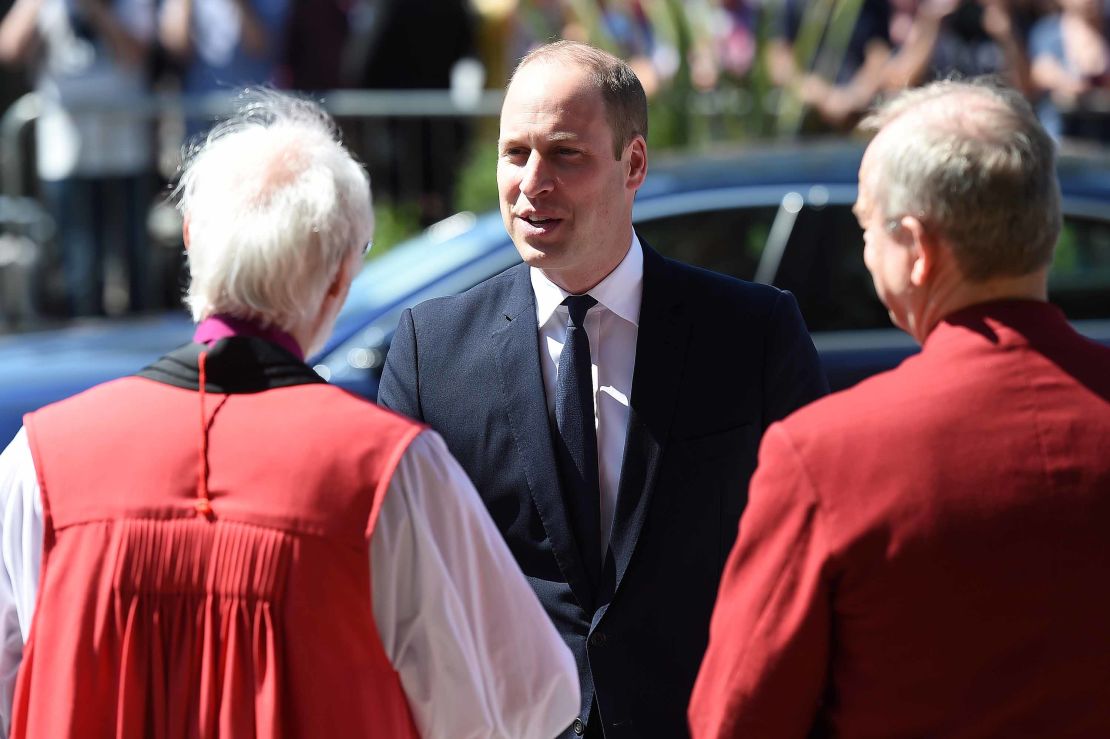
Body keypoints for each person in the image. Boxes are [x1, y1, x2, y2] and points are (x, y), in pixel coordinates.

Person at [0, 90, 579, 739]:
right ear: (339, 278)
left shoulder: (38, 461)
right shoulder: (388, 472)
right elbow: (524, 702)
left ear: (193, 240)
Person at [377, 40, 828, 739]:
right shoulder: (429, 351)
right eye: (515, 153)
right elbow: (399, 590)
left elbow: (817, 558)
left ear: (634, 164)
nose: (531, 182)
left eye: (565, 154)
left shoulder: (753, 335)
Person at [689, 78, 1110, 738]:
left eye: (865, 226)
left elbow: (737, 717)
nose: (863, 247)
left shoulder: (827, 455)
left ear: (918, 249)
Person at [0, 0, 155, 317]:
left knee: (134, 255)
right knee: (80, 262)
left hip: (125, 146)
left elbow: (136, 55)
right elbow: (10, 49)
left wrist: (95, 10)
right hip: (65, 151)